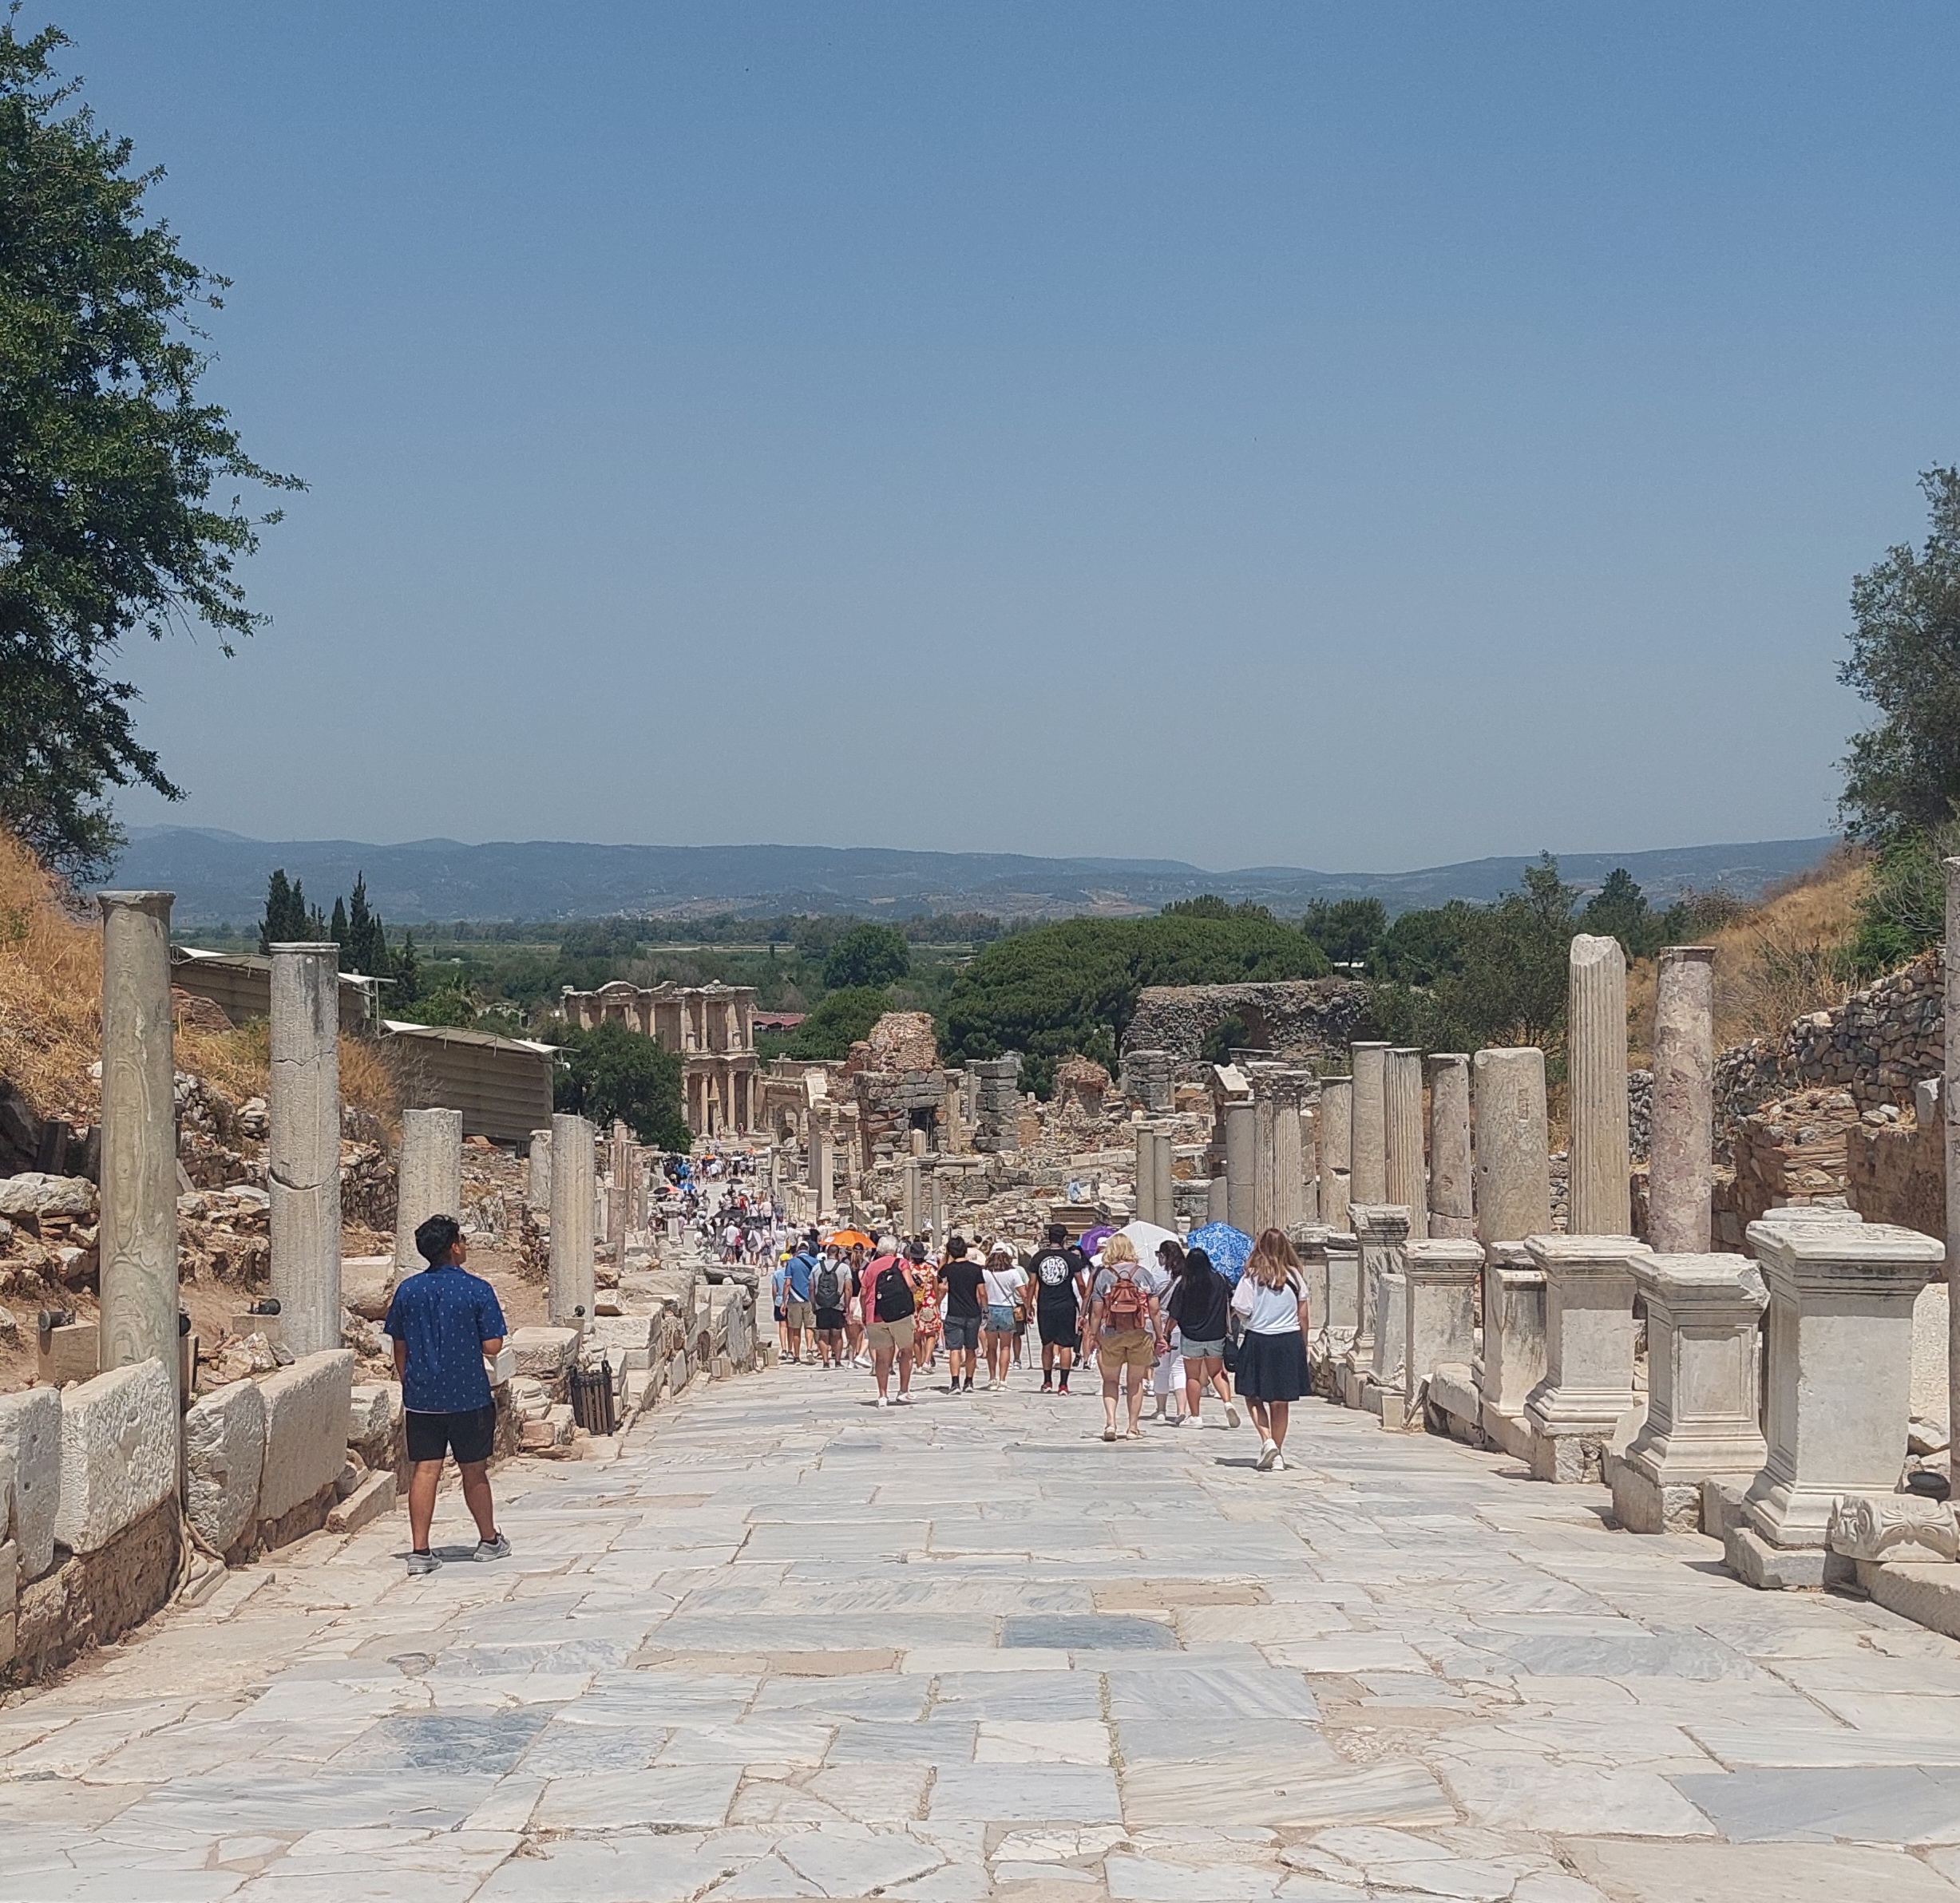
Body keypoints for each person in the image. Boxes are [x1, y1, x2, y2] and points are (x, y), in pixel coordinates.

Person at [384, 1213, 509, 1575]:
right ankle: (488, 1540)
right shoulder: (477, 1289)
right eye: (463, 1240)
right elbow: (492, 1345)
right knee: (475, 1471)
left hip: (423, 1396)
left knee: (425, 1470)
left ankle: (420, 1551)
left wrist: (409, 1381)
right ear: (454, 1247)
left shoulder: (408, 1291)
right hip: (469, 1394)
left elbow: (399, 1344)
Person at [1232, 1227, 1311, 1471]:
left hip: (1259, 1340)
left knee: (1253, 1396)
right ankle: (1278, 1453)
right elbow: (1304, 1315)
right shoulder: (1296, 1277)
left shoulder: (1251, 1277)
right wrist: (1304, 1344)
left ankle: (1267, 1441)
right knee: (1280, 1402)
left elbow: (1241, 1309)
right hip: (1288, 1341)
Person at [1083, 1233, 1161, 1442]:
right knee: (1136, 1382)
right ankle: (1133, 1427)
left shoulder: (1104, 1276)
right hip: (1139, 1333)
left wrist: (1093, 1335)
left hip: (1111, 1333)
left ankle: (1111, 1423)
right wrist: (1160, 1336)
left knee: (1110, 1380)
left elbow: (1097, 1312)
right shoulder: (1143, 1274)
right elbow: (1154, 1310)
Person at [1166, 1244, 1240, 1429]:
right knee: (1216, 1372)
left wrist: (1165, 1333)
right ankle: (1227, 1403)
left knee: (1193, 1376)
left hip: (1192, 1336)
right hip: (1216, 1333)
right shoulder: (1220, 1280)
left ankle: (1196, 1416)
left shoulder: (1184, 1284)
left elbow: (1174, 1314)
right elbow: (1234, 1302)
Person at [1029, 1224, 1088, 1395]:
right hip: (1066, 1304)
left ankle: (1047, 1382)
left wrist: (1028, 1305)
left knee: (1047, 1344)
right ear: (1064, 1239)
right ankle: (1063, 1384)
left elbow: (1032, 1283)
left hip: (1045, 1305)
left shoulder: (1038, 1257)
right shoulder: (1071, 1259)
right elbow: (1080, 1283)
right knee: (1065, 1346)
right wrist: (1085, 1301)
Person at [861, 1235, 917, 1407]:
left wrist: (864, 1314)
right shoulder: (901, 1263)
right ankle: (903, 1391)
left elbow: (863, 1292)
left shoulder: (871, 1267)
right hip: (899, 1315)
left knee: (882, 1358)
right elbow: (910, 1284)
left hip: (877, 1315)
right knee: (907, 1351)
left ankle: (883, 1395)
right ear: (895, 1249)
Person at [937, 1235, 986, 1393]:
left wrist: (946, 1256)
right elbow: (982, 1292)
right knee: (971, 1348)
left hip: (954, 1313)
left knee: (955, 1349)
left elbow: (939, 1279)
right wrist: (985, 1309)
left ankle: (955, 1383)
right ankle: (969, 1382)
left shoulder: (948, 1270)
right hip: (972, 1313)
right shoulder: (976, 1269)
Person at [980, 1241, 1024, 1389]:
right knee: (1005, 1347)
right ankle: (1003, 1380)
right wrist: (1028, 1308)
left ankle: (992, 1378)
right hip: (1006, 1310)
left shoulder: (985, 1273)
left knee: (991, 1347)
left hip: (990, 1309)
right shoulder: (1013, 1273)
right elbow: (1023, 1293)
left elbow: (980, 1292)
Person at [781, 1232, 819, 1363]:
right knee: (810, 1326)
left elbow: (787, 1283)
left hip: (794, 1299)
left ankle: (796, 1356)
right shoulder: (815, 1262)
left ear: (797, 1250)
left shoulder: (791, 1263)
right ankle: (809, 1349)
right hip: (810, 1299)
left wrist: (783, 1302)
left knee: (796, 1329)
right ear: (808, 1250)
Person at [811, 1242, 849, 1367]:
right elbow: (848, 1288)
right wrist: (847, 1306)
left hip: (821, 1305)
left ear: (827, 1254)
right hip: (837, 1305)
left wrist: (813, 1303)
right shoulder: (844, 1268)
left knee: (823, 1334)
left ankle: (825, 1362)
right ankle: (837, 1361)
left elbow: (811, 1287)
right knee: (837, 1334)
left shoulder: (817, 1267)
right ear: (838, 1254)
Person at [909, 1240, 942, 1375]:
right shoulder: (930, 1269)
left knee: (916, 1336)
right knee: (930, 1334)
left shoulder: (907, 1269)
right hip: (928, 1303)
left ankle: (918, 1363)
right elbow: (936, 1289)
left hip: (913, 1305)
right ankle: (927, 1362)